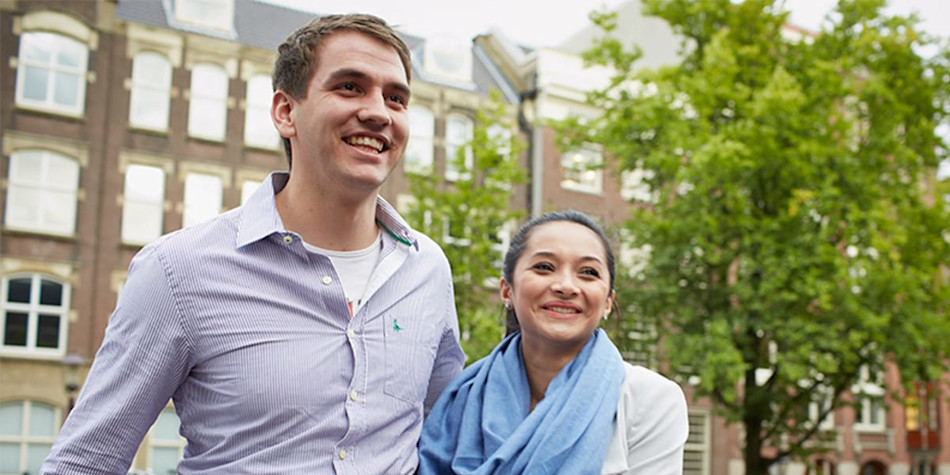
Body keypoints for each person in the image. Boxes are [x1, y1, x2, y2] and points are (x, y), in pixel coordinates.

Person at [42, 13, 465, 474]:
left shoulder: (427, 269)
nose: (379, 112)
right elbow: (86, 461)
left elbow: (446, 437)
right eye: (349, 87)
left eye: (396, 98)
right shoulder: (178, 271)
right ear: (286, 112)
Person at [418, 210, 688, 474]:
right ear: (507, 290)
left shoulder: (649, 400)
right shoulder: (458, 399)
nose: (566, 286)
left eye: (588, 272)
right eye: (544, 267)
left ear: (608, 302)